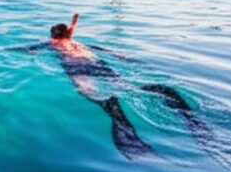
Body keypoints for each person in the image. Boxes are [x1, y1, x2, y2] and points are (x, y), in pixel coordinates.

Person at [18, 13, 206, 158]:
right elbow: (93, 44)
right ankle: (165, 97)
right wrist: (119, 54)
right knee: (127, 87)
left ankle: (113, 109)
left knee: (89, 93)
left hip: (76, 67)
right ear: (67, 33)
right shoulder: (75, 42)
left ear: (53, 34)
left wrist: (22, 51)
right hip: (96, 62)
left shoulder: (53, 43)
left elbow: (30, 49)